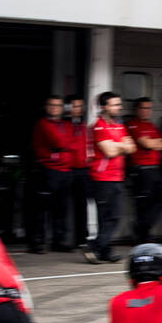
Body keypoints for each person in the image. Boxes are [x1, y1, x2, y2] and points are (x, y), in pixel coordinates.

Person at [84, 92, 135, 264]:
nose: (118, 108)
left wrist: (117, 145)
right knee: (108, 217)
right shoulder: (98, 126)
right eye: (114, 105)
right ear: (104, 106)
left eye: (119, 104)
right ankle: (96, 246)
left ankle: (102, 248)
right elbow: (109, 151)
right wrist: (121, 145)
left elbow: (132, 148)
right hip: (101, 178)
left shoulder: (119, 125)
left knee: (114, 216)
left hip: (117, 177)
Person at [29, 95, 73, 253]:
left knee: (61, 209)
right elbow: (59, 142)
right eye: (51, 105)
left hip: (65, 171)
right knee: (42, 208)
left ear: (62, 108)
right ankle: (37, 242)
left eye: (58, 105)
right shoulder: (42, 124)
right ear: (46, 107)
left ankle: (58, 241)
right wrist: (64, 145)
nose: (55, 108)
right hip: (48, 170)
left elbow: (71, 143)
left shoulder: (66, 124)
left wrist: (64, 146)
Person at [125, 97, 162, 244]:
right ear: (137, 110)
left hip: (155, 169)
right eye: (143, 108)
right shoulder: (132, 125)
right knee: (143, 204)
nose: (146, 111)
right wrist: (153, 143)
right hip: (141, 169)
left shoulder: (151, 126)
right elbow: (145, 143)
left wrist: (153, 143)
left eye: (148, 108)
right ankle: (143, 236)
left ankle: (141, 228)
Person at [66, 94, 90, 248]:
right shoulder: (64, 125)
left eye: (81, 106)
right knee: (66, 205)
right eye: (75, 106)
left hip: (83, 170)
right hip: (67, 170)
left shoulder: (83, 126)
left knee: (82, 205)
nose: (79, 109)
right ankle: (66, 238)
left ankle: (81, 238)